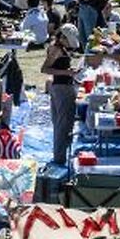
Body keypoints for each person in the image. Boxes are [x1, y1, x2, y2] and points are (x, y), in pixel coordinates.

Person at [42, 23, 80, 166]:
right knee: (62, 126)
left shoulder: (60, 48)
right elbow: (45, 69)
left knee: (63, 124)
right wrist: (67, 72)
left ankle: (62, 155)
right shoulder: (55, 49)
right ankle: (59, 158)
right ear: (62, 37)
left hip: (64, 86)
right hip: (61, 88)